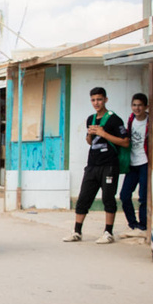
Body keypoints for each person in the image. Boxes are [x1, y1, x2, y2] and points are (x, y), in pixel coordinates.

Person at [63, 87, 130, 244]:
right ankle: (77, 231)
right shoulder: (91, 119)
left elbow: (125, 142)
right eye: (93, 100)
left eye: (99, 99)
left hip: (109, 165)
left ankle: (108, 232)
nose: (96, 103)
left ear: (105, 100)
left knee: (108, 198)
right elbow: (90, 142)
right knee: (83, 198)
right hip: (92, 164)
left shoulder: (114, 119)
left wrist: (104, 133)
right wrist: (90, 134)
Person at [119, 93, 148, 238]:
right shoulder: (131, 119)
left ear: (146, 106)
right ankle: (133, 224)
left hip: (145, 163)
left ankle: (143, 226)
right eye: (134, 105)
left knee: (143, 197)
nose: (137, 108)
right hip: (132, 163)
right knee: (124, 195)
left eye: (140, 105)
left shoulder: (149, 121)